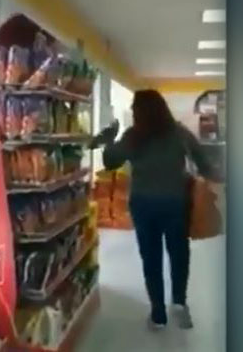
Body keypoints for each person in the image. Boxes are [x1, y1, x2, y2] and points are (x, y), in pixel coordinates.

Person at [91, 89, 217, 330]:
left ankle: (158, 313)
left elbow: (111, 161)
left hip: (143, 204)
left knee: (151, 258)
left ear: (139, 111)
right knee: (179, 253)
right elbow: (205, 164)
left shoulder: (134, 136)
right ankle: (179, 304)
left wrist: (109, 140)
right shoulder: (179, 132)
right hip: (175, 202)